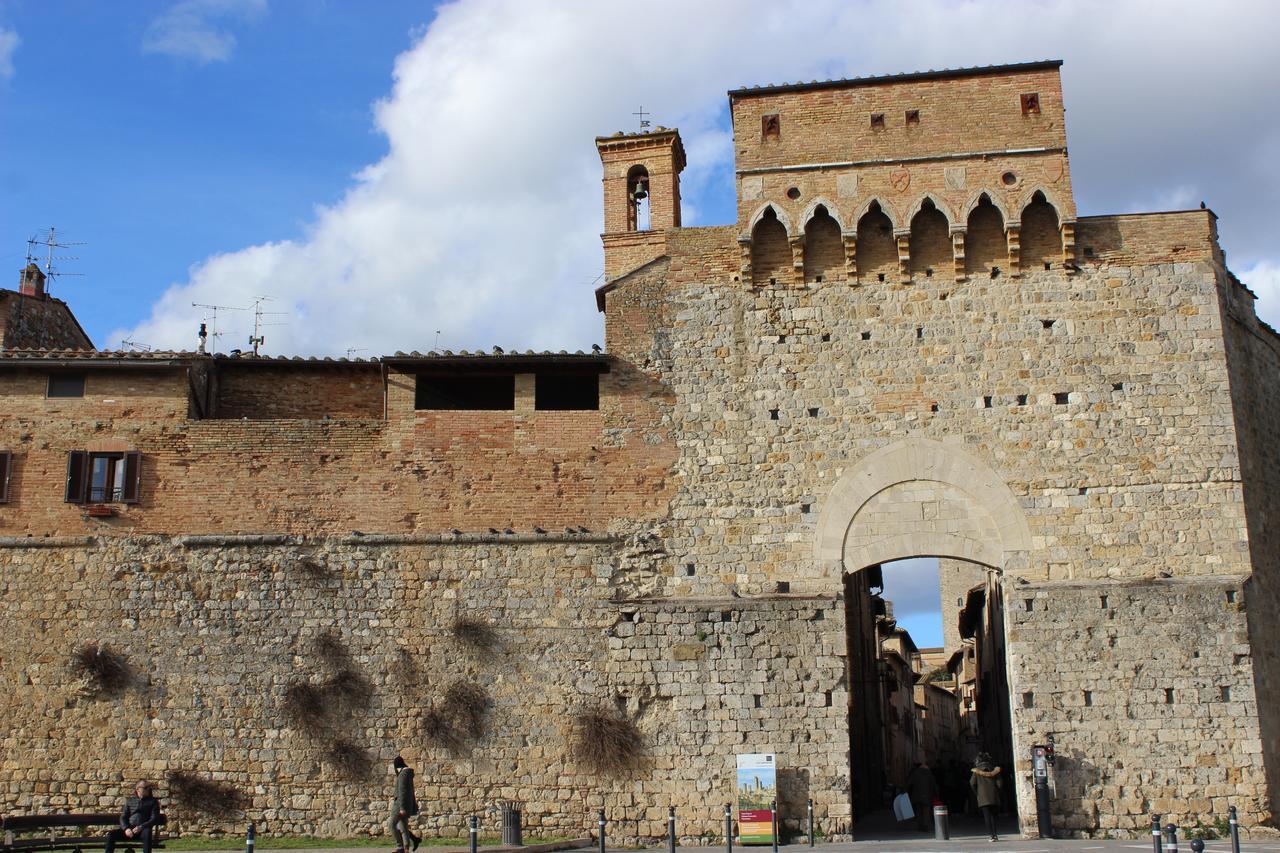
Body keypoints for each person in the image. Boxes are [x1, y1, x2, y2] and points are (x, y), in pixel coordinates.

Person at [104, 780, 159, 853]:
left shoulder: (153, 801)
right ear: (138, 789)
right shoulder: (130, 801)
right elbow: (123, 817)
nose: (148, 789)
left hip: (143, 830)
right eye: (145, 787)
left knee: (147, 832)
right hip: (129, 830)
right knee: (111, 835)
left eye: (148, 787)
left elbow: (154, 818)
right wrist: (126, 828)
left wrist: (141, 827)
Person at [388, 755, 420, 853]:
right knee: (403, 826)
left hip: (399, 805)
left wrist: (401, 808)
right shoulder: (408, 774)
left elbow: (402, 791)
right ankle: (406, 848)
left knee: (391, 825)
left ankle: (400, 847)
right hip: (406, 804)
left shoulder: (402, 775)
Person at [969, 753, 1003, 842]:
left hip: (983, 797)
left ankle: (991, 836)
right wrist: (997, 792)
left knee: (987, 817)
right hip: (994, 796)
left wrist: (977, 794)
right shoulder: (995, 770)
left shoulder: (976, 771)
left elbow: (972, 783)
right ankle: (995, 835)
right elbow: (1000, 784)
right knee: (993, 817)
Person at [904, 761, 939, 832]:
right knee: (926, 811)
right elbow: (934, 785)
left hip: (916, 796)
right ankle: (925, 825)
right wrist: (937, 794)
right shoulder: (930, 774)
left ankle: (920, 825)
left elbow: (909, 783)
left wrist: (905, 791)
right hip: (927, 796)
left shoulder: (915, 773)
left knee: (918, 811)